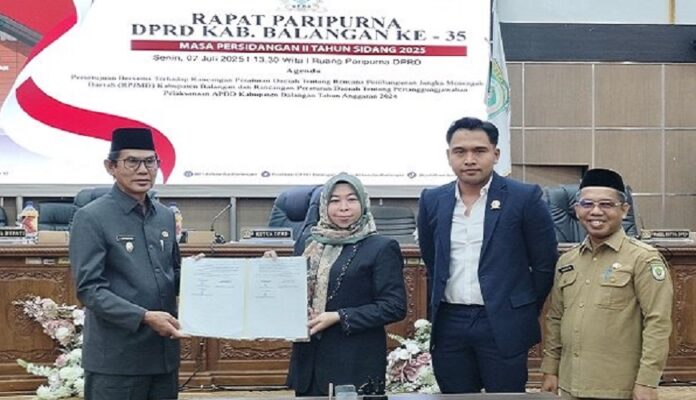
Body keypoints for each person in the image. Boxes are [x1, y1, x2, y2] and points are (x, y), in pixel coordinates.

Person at [417, 116, 559, 393]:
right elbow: (432, 259)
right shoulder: (432, 200)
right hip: (450, 322)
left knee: (505, 396)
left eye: (479, 151)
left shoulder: (524, 197)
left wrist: (520, 306)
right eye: (460, 151)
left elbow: (544, 264)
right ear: (449, 156)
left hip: (502, 323)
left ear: (496, 154)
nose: (469, 159)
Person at [70, 127, 185, 400]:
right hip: (117, 359)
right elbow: (90, 290)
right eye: (132, 161)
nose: (143, 170)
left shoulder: (165, 216)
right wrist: (144, 317)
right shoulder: (92, 217)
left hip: (163, 356)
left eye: (150, 161)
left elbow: (173, 273)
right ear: (111, 167)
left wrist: (201, 274)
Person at [540, 168, 673, 400]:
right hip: (571, 384)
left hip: (619, 387)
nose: (596, 211)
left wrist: (647, 381)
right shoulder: (567, 261)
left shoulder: (643, 259)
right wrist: (550, 369)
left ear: (624, 210)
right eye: (587, 204)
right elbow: (555, 319)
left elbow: (657, 322)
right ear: (577, 209)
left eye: (606, 204)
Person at [277, 173, 407, 396]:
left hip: (354, 363)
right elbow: (293, 291)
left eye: (351, 199)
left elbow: (394, 307)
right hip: (309, 363)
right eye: (335, 200)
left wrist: (339, 316)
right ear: (324, 205)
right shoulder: (309, 244)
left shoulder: (381, 247)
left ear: (363, 202)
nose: (343, 207)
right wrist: (271, 269)